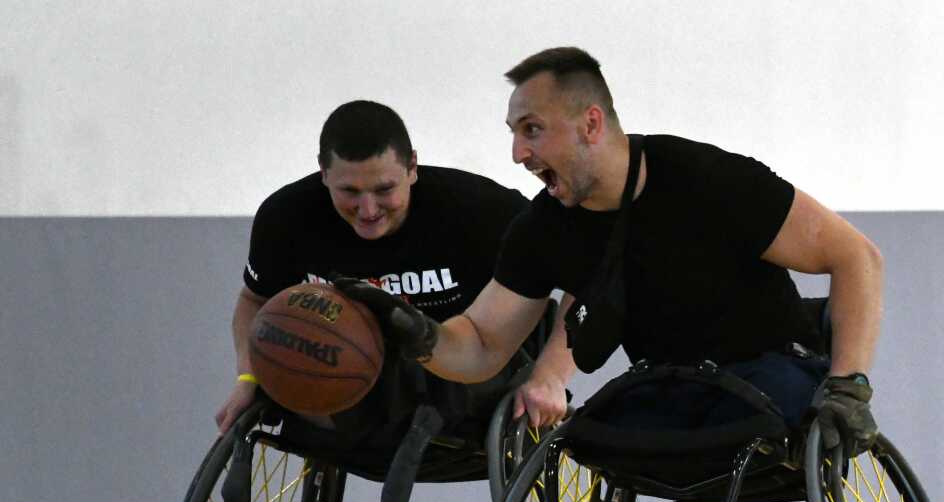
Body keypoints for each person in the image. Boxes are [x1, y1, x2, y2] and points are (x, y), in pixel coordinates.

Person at [337, 49, 882, 456]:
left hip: (772, 376)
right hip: (668, 388)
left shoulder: (709, 179)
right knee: (584, 439)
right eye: (513, 133)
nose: (517, 153)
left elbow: (857, 258)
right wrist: (419, 334)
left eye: (532, 131)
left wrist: (848, 387)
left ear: (590, 124)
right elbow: (481, 344)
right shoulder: (543, 227)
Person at [215, 100, 575, 442]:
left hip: (473, 370)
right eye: (350, 191)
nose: (368, 209)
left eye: (384, 189)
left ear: (412, 167)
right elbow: (253, 300)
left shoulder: (483, 210)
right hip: (362, 383)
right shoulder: (286, 216)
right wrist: (248, 376)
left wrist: (551, 376)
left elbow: (585, 280)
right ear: (324, 174)